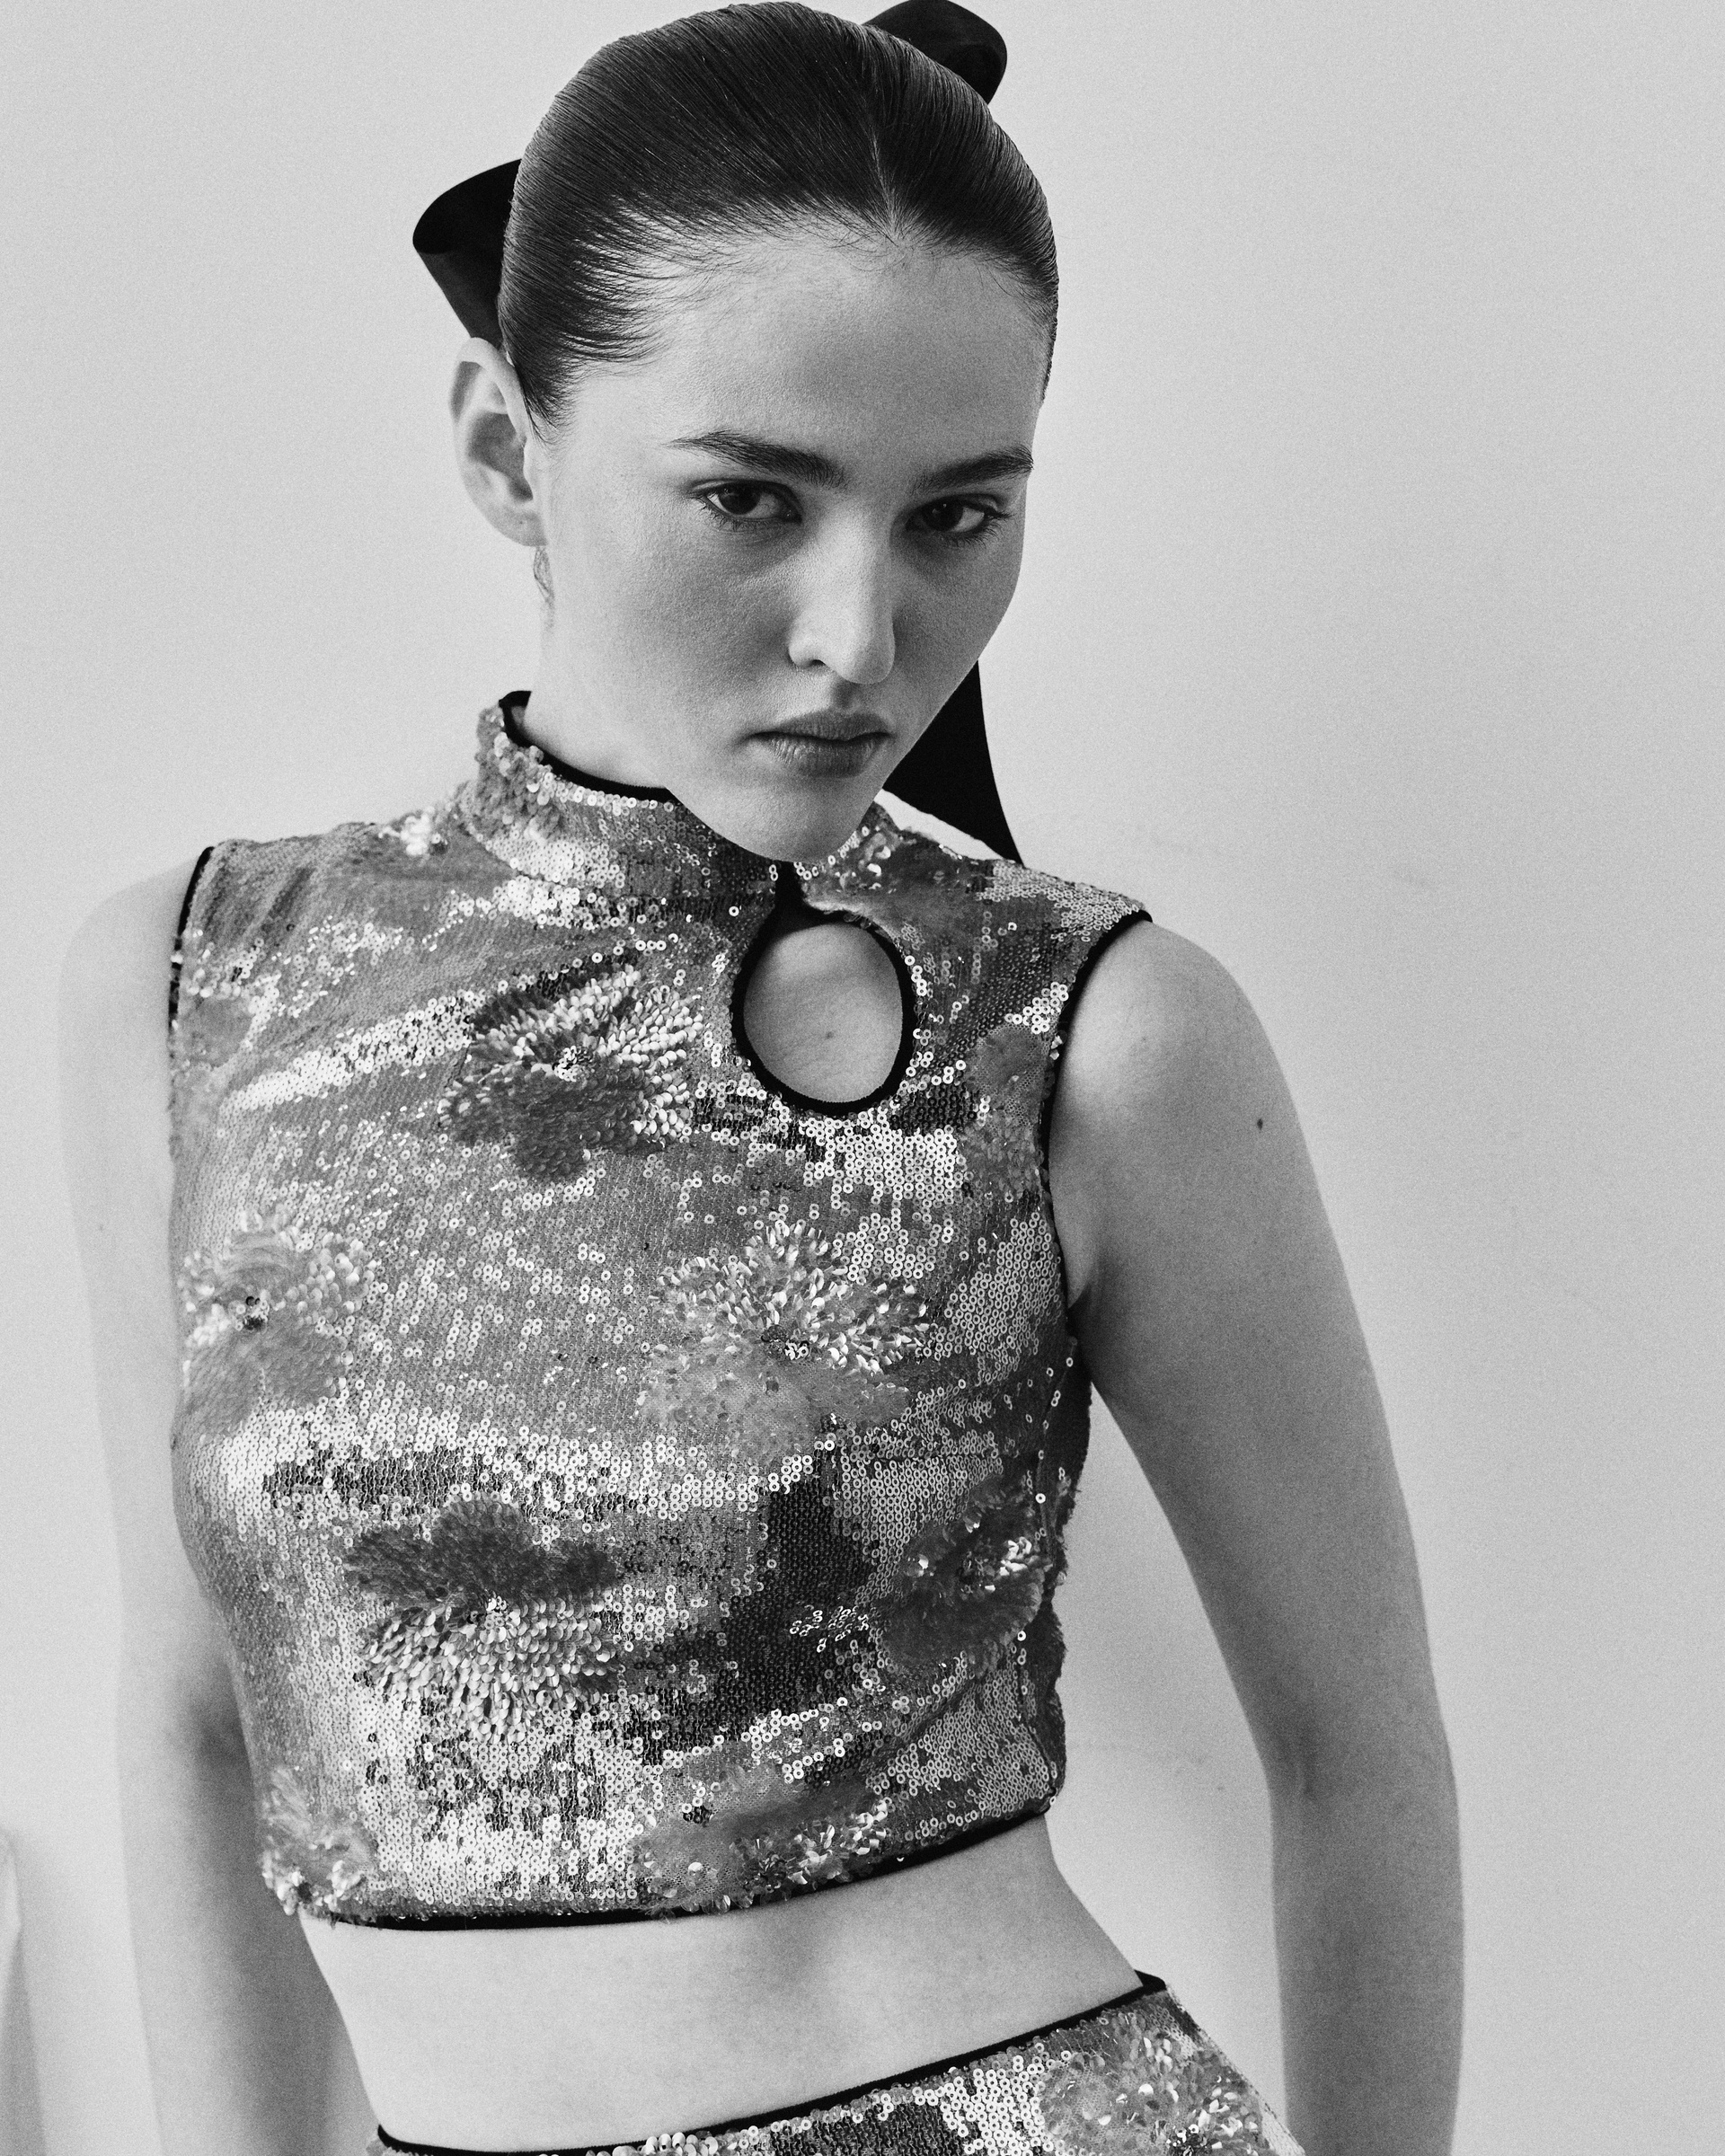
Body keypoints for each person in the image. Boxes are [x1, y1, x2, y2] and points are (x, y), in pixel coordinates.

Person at [59, 5, 1463, 2153]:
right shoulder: (192, 983)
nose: (859, 636)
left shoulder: (1093, 1028)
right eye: (749, 497)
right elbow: (194, 1730)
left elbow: (1358, 1755)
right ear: (505, 449)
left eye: (956, 517)